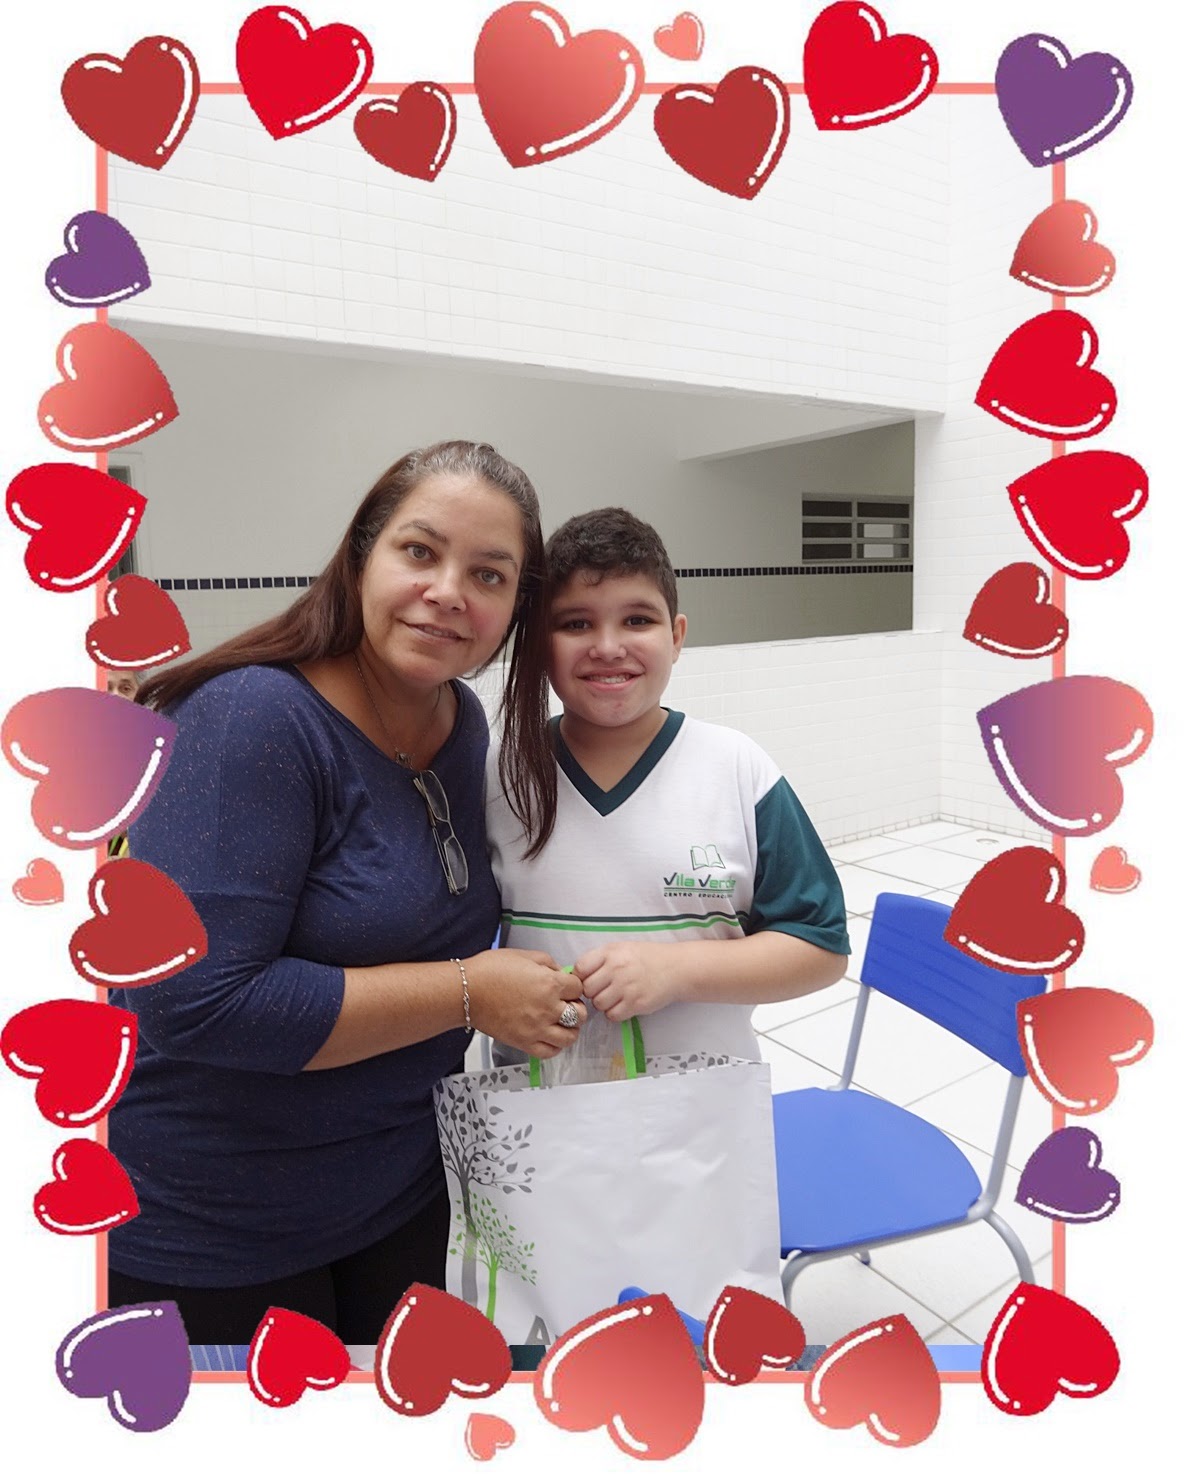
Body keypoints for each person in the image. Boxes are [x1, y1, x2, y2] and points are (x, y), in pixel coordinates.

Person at [106, 441, 586, 1345]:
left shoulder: (458, 719)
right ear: (362, 555)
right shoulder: (252, 718)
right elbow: (194, 1002)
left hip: (396, 1195)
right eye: (419, 551)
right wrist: (468, 992)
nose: (448, 591)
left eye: (488, 574)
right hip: (219, 1229)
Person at [486, 507, 850, 1060]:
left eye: (637, 620)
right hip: (537, 1106)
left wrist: (675, 970)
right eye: (576, 624)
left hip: (704, 1109)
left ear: (676, 636)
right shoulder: (500, 774)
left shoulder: (738, 770)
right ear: (539, 643)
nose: (608, 646)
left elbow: (820, 947)